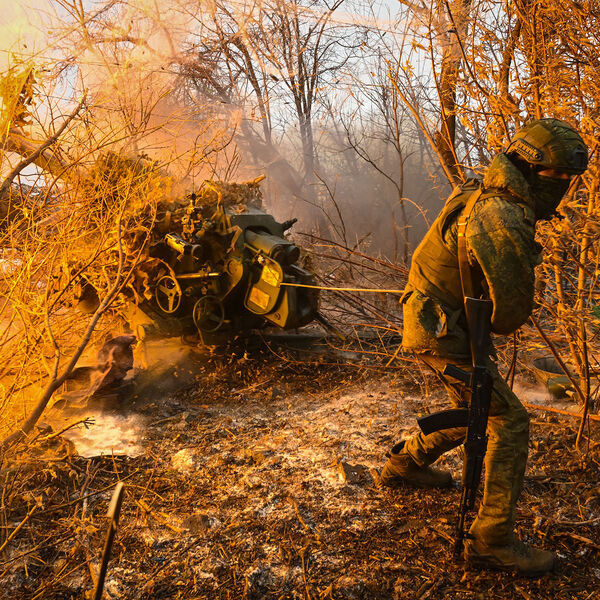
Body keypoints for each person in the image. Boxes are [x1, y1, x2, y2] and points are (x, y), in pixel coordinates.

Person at [380, 119, 588, 575]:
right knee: (507, 419)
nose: (562, 185)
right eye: (556, 175)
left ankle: (405, 464)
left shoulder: (485, 188)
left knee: (477, 408)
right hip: (442, 327)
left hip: (437, 321)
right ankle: (491, 541)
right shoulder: (502, 215)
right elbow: (510, 314)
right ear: (530, 169)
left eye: (567, 177)